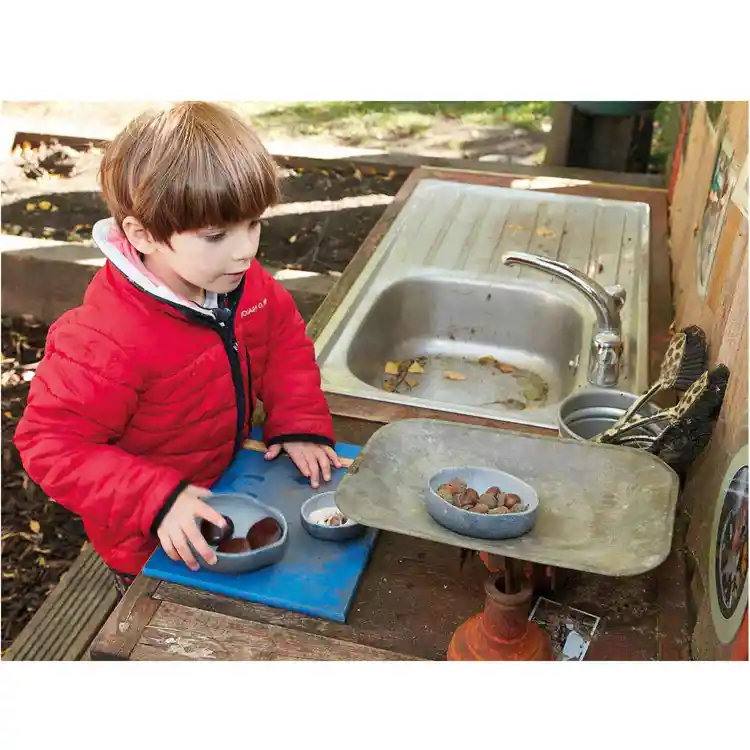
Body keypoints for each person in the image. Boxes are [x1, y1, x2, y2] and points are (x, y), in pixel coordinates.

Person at [14, 102, 340, 592]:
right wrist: (156, 500)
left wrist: (298, 421)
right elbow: (51, 445)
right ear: (142, 235)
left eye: (254, 224)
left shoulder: (243, 284)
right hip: (150, 535)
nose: (245, 249)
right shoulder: (104, 339)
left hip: (232, 482)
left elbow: (284, 343)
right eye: (215, 235)